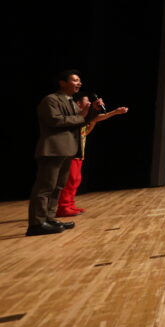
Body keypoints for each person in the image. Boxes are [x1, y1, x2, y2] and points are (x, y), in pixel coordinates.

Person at [29, 70, 127, 235]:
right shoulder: (51, 99)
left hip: (68, 150)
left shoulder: (70, 102)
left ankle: (50, 218)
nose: (79, 83)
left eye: (79, 81)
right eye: (75, 80)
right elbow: (55, 120)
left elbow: (83, 121)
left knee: (58, 187)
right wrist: (82, 116)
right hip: (53, 149)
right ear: (62, 82)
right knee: (45, 188)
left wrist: (93, 111)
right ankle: (36, 224)